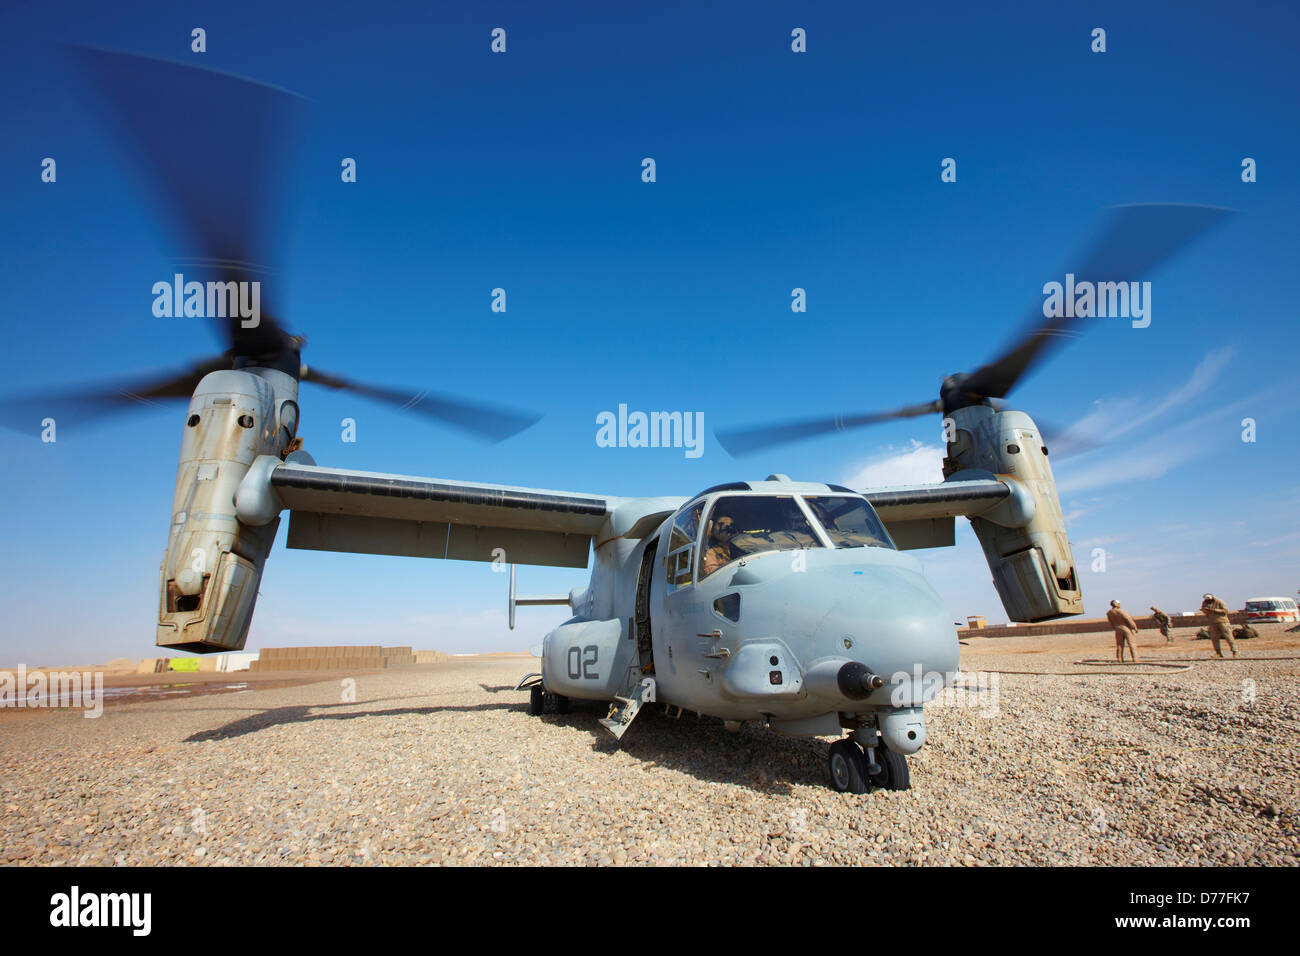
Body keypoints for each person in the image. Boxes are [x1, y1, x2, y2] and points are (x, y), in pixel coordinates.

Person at [1200, 593, 1238, 658]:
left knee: (1228, 637)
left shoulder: (1219, 602)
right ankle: (1218, 653)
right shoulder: (1205, 602)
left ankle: (1235, 651)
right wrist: (1205, 610)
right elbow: (1204, 610)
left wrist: (1214, 610)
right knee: (1214, 638)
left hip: (1222, 622)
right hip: (1212, 622)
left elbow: (1225, 611)